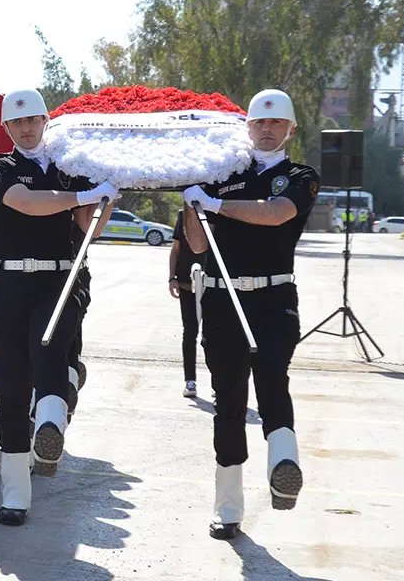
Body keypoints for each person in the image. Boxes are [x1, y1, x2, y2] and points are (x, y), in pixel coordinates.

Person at [181, 88, 317, 540]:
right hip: (222, 299)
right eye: (259, 122)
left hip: (273, 300)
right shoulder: (224, 174)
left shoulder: (300, 176)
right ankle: (228, 507)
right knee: (229, 401)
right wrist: (191, 202)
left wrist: (217, 205)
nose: (266, 129)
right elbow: (198, 245)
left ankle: (284, 465)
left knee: (273, 379)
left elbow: (277, 214)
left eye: (275, 123)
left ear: (290, 129)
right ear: (247, 127)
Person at [0, 89, 117, 526]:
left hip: (58, 279)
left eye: (33, 119)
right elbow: (24, 202)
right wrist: (80, 195)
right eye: (17, 122)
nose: (25, 128)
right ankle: (15, 489)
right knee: (13, 383)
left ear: (45, 121)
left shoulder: (70, 167)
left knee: (51, 350)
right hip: (7, 281)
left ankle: (51, 426)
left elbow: (89, 229)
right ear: (6, 128)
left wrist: (105, 194)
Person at [169, 208, 205, 398]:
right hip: (186, 285)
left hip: (213, 287)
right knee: (190, 333)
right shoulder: (184, 215)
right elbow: (175, 250)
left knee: (213, 337)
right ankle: (190, 381)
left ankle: (219, 384)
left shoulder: (218, 209)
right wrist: (171, 278)